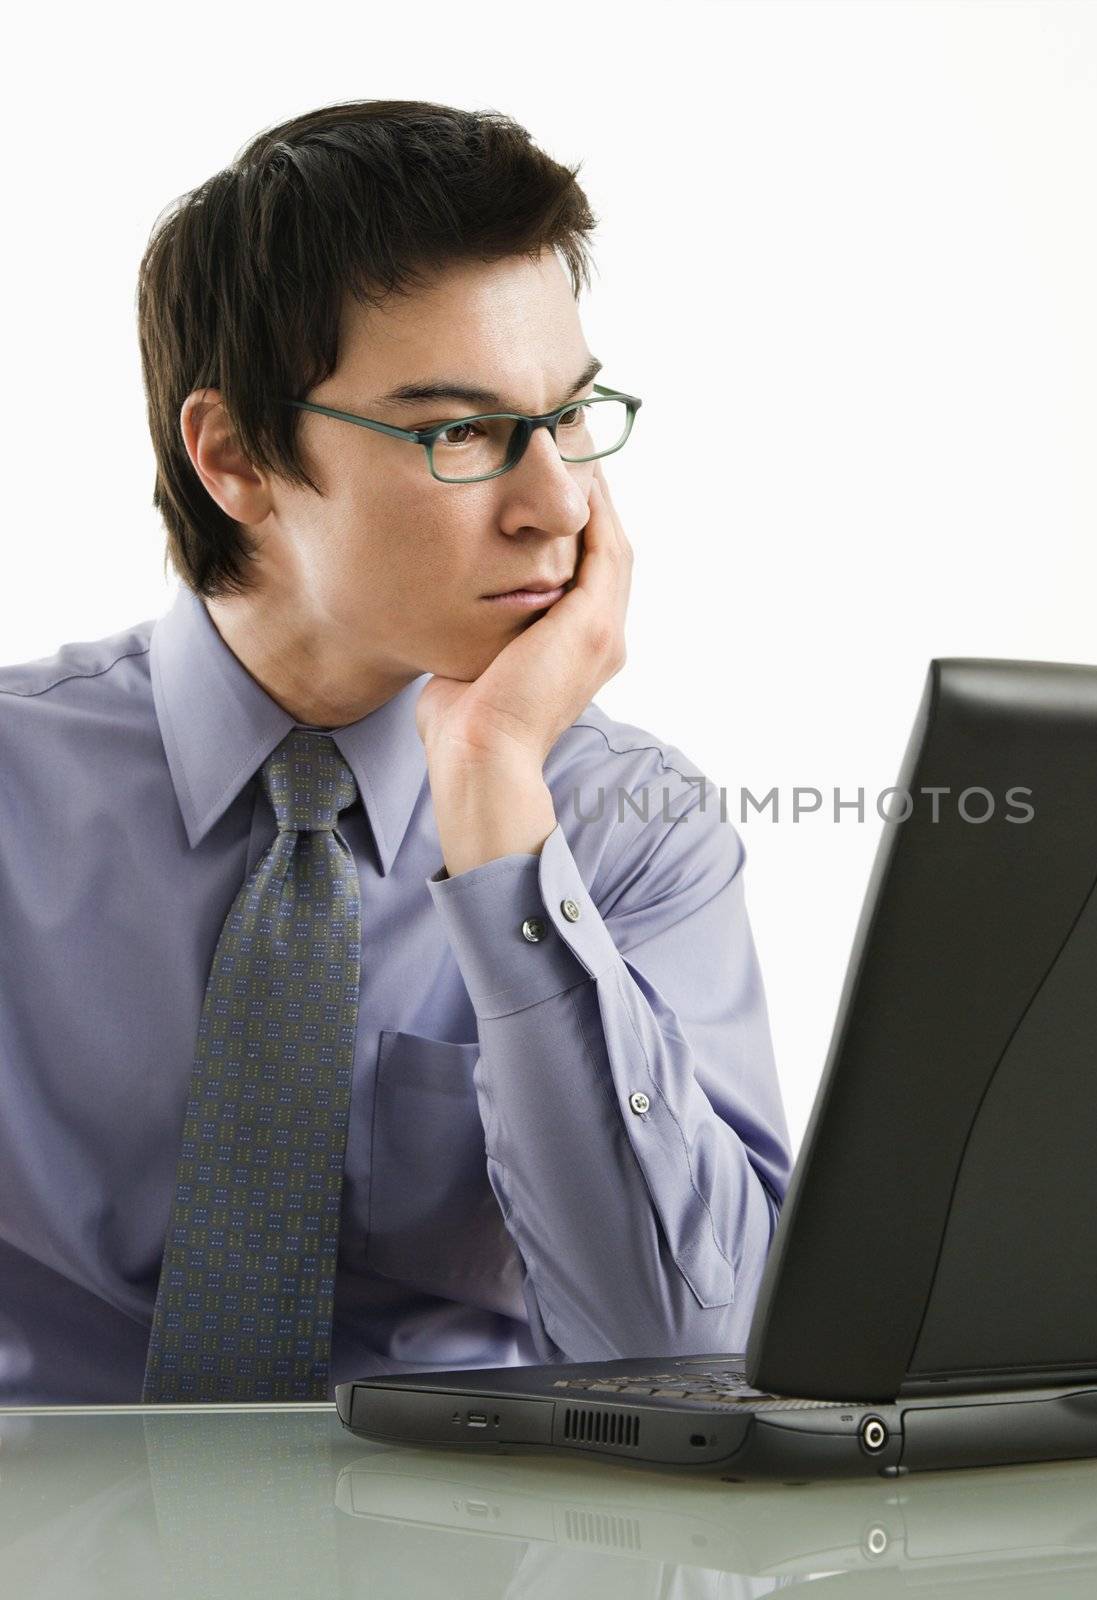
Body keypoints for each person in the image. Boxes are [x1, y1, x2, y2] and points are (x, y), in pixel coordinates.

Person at [0, 99, 792, 1404]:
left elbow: (690, 1362)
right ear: (237, 456)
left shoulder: (629, 824)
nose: (557, 506)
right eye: (460, 433)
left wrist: (498, 807)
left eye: (572, 415)